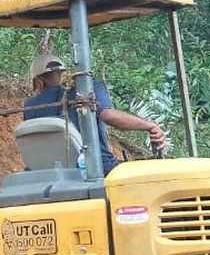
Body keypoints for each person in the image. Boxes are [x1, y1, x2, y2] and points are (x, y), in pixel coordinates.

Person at [22, 53, 167, 174]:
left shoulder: (29, 108)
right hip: (97, 167)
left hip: (54, 174)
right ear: (63, 74)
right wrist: (150, 126)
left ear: (39, 82)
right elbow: (108, 115)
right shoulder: (87, 88)